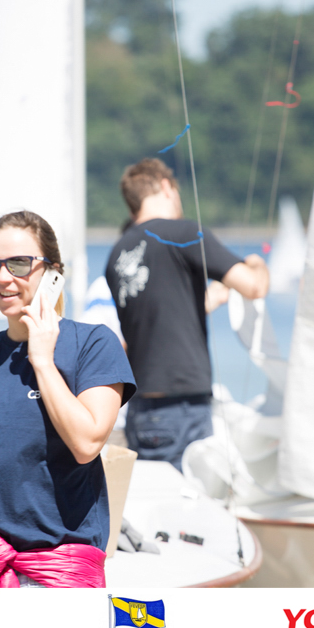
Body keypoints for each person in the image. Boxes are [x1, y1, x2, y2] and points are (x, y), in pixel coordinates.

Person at [0, 211, 136, 588]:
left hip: (55, 570)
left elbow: (87, 444)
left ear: (53, 273)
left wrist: (43, 360)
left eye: (18, 264)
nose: (3, 278)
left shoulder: (93, 345)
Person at [105, 158, 269, 469]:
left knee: (154, 496)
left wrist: (210, 299)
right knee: (187, 497)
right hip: (181, 409)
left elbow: (157, 315)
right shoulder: (183, 232)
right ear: (166, 187)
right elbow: (254, 286)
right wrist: (257, 263)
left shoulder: (117, 253)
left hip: (140, 409)